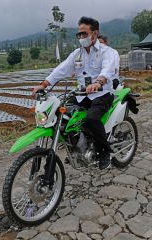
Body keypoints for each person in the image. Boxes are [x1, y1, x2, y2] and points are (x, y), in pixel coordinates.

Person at [32, 16, 116, 169]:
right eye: (79, 34)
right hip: (81, 95)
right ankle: (75, 146)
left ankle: (104, 151)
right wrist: (43, 85)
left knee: (91, 118)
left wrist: (98, 82)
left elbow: (108, 70)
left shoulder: (108, 52)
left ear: (95, 34)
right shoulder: (76, 54)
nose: (81, 37)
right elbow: (60, 70)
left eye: (84, 34)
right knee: (62, 116)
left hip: (102, 94)